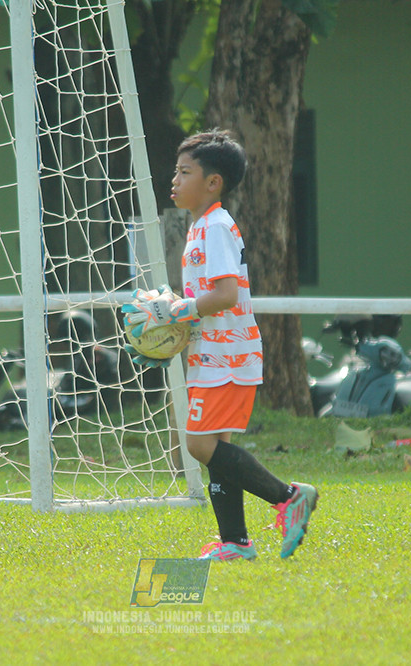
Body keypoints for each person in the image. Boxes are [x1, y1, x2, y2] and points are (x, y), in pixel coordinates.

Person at [123, 129, 318, 561]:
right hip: (214, 353)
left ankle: (289, 497)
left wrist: (177, 312)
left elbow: (226, 295)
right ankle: (235, 543)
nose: (174, 180)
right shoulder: (200, 228)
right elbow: (206, 299)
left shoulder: (215, 227)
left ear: (213, 182)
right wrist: (170, 321)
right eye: (176, 171)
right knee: (215, 448)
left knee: (198, 444)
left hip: (227, 355)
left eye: (185, 172)